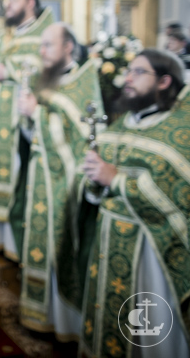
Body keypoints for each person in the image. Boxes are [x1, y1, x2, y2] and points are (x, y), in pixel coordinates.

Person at [79, 49, 190, 358]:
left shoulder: (181, 130)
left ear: (165, 81)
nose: (127, 78)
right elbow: (97, 185)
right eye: (128, 70)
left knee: (149, 332)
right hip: (110, 239)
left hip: (153, 249)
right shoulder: (120, 126)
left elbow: (175, 194)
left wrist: (114, 179)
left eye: (139, 72)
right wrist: (92, 180)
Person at [15, 23, 103, 341]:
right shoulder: (45, 80)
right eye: (41, 45)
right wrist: (28, 117)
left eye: (48, 45)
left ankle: (65, 322)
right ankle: (39, 313)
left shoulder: (83, 80)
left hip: (66, 177)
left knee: (61, 243)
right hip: (41, 173)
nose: (42, 51)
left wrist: (36, 114)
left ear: (68, 47)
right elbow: (31, 135)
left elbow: (81, 137)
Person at [0, 0, 54, 260]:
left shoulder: (45, 33)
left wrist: (8, 71)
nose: (7, 5)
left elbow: (47, 67)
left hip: (24, 123)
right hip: (1, 117)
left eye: (13, 0)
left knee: (20, 178)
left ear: (30, 2)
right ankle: (3, 241)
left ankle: (20, 245)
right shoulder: (11, 36)